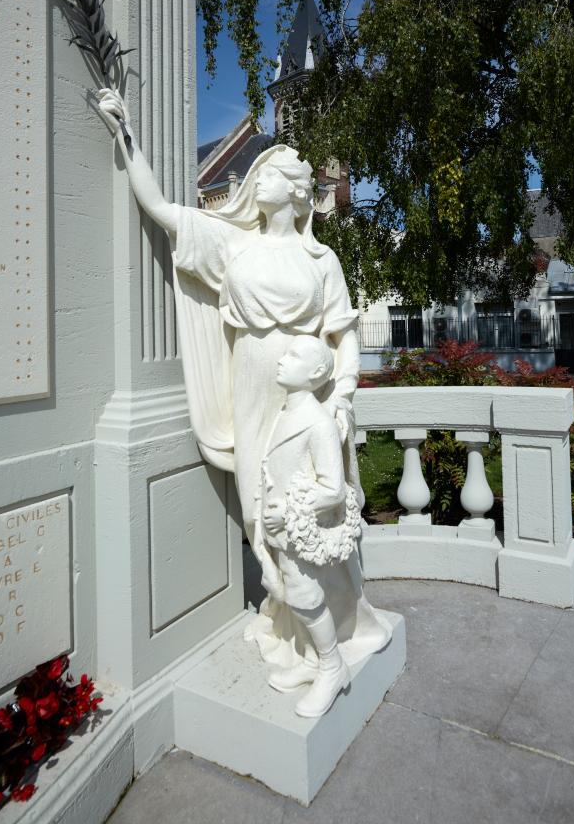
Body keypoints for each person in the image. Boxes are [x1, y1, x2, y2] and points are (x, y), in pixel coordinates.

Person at [97, 87, 389, 681]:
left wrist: (346, 393)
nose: (256, 179)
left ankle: (332, 638)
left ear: (294, 190)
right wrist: (126, 136)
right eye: (258, 174)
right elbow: (163, 211)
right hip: (255, 392)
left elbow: (344, 334)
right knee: (266, 513)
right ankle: (297, 627)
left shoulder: (321, 261)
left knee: (314, 515)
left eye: (268, 174)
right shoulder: (235, 245)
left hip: (310, 397)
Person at [259, 334, 366, 717]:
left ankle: (332, 665)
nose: (282, 359)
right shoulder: (283, 415)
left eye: (293, 355)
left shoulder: (316, 422)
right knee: (293, 596)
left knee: (306, 598)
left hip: (298, 531)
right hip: (280, 533)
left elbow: (333, 489)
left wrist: (288, 513)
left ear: (318, 371)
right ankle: (309, 659)